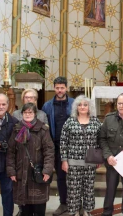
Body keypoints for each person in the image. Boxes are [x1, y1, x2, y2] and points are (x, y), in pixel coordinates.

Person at [6, 103, 55, 216]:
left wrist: (47, 170)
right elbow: (11, 152)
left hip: (37, 173)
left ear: (35, 114)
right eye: (25, 112)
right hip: (21, 172)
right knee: (25, 208)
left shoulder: (42, 129)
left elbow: (49, 151)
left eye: (30, 112)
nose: (28, 114)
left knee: (39, 208)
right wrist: (11, 171)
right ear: (22, 114)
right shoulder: (17, 129)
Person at [60, 95, 102, 216]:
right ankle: (75, 211)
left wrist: (99, 158)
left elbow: (100, 140)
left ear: (89, 107)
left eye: (85, 104)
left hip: (91, 161)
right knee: (74, 190)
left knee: (89, 189)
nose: (82, 107)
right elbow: (63, 141)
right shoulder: (70, 121)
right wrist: (64, 160)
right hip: (73, 162)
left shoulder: (95, 121)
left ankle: (87, 211)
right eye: (79, 105)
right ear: (76, 107)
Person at [99, 93, 123, 216]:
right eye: (119, 103)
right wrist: (108, 155)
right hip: (113, 161)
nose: (121, 106)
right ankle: (107, 212)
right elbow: (102, 139)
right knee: (110, 188)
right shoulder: (109, 118)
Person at [42, 77, 75, 216]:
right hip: (55, 145)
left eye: (62, 87)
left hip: (73, 145)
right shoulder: (47, 106)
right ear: (54, 88)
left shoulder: (74, 103)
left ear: (66, 88)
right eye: (57, 88)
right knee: (61, 176)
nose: (60, 90)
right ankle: (64, 203)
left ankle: (75, 204)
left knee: (75, 176)